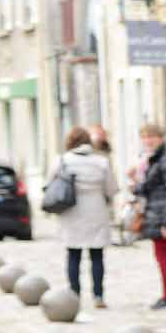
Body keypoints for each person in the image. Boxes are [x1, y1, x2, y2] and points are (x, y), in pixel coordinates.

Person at [50, 127, 117, 310]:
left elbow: (51, 183)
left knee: (73, 254)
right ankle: (98, 295)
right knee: (97, 255)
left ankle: (74, 294)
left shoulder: (62, 160)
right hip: (96, 209)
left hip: (71, 210)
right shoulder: (101, 162)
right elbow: (111, 188)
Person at [130, 124, 166, 308]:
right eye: (144, 137)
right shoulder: (155, 159)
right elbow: (150, 186)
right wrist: (136, 184)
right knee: (161, 256)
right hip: (155, 212)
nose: (148, 140)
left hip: (162, 215)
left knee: (164, 256)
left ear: (160, 137)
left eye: (151, 136)